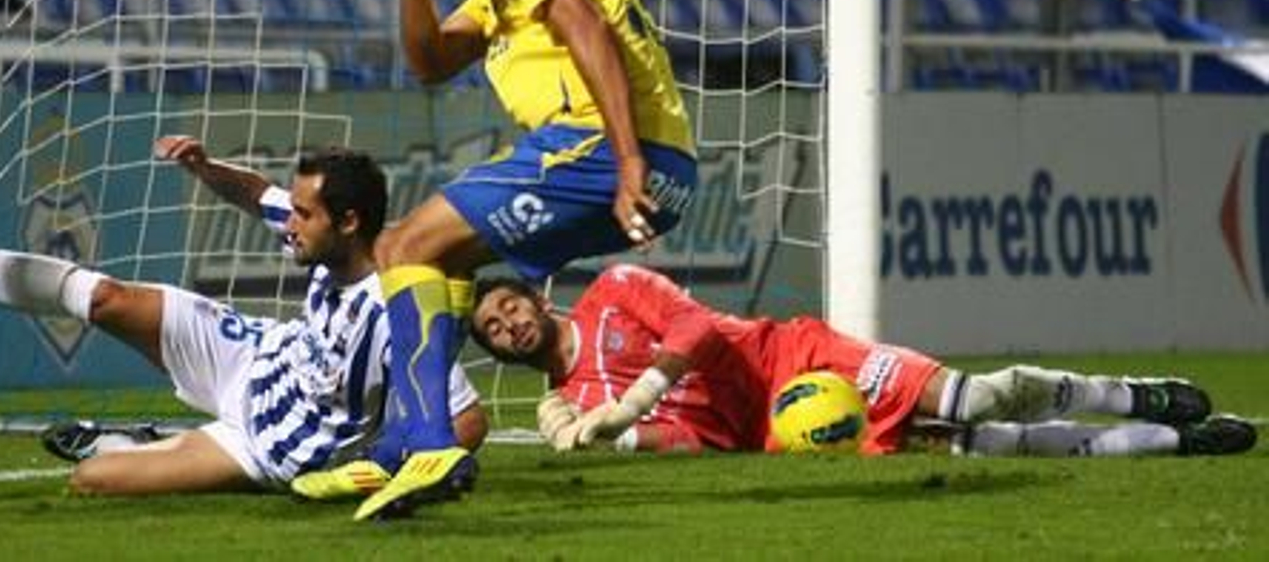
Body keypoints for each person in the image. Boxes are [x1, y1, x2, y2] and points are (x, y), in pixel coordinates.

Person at [293, 0, 698, 520]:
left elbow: (584, 24)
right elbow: (431, 61)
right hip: (647, 162)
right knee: (439, 260)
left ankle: (424, 442)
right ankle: (405, 447)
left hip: (602, 147)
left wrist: (626, 156)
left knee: (401, 244)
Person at [0, 136, 488, 496]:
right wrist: (206, 168)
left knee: (94, 482)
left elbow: (467, 417)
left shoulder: (400, 304)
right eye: (293, 209)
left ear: (349, 223)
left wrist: (390, 468)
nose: (288, 225)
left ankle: (137, 440)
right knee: (105, 298)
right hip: (255, 356)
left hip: (269, 449)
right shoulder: (321, 235)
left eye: (304, 215)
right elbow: (255, 194)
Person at [471, 264, 1257, 459]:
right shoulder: (573, 404)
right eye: (491, 331)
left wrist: (633, 401)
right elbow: (701, 441)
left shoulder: (613, 288)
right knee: (980, 446)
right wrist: (622, 437)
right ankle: (1179, 443)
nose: (504, 324)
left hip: (797, 357)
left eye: (507, 306)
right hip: (781, 433)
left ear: (537, 300)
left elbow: (699, 328)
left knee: (979, 398)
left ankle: (1129, 393)